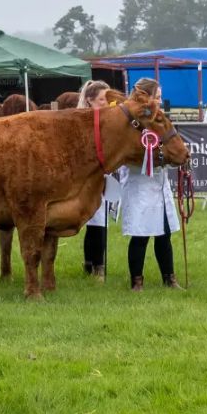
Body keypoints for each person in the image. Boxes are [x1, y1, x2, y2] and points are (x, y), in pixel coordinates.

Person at [119, 78, 182, 291]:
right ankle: (137, 281)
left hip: (159, 184)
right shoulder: (131, 123)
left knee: (164, 234)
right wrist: (155, 159)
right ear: (146, 98)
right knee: (140, 235)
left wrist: (173, 157)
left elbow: (169, 145)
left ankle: (169, 278)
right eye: (157, 96)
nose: (160, 100)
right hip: (139, 185)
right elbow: (128, 156)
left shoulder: (160, 120)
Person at [77, 80, 113, 280]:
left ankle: (94, 264)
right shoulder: (82, 122)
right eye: (101, 99)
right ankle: (94, 264)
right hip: (87, 176)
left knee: (99, 220)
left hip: (103, 173)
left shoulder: (109, 122)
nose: (106, 103)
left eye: (107, 99)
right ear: (90, 100)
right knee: (94, 220)